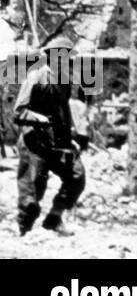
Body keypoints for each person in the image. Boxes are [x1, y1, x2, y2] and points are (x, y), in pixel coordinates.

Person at [14, 37, 85, 237]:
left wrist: (70, 137)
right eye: (62, 56)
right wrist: (40, 119)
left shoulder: (64, 79)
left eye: (68, 57)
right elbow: (19, 112)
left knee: (76, 176)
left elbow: (63, 111)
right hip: (34, 143)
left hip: (57, 142)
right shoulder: (36, 76)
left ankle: (54, 219)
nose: (66, 60)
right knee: (32, 195)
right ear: (52, 56)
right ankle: (24, 233)